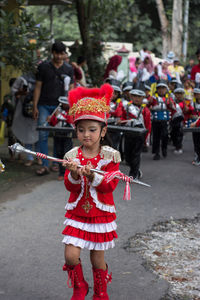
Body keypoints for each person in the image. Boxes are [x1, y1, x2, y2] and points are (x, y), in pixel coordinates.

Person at [61, 83, 121, 300]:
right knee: (70, 255)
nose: (86, 134)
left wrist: (91, 175)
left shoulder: (110, 157)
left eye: (92, 129)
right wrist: (75, 174)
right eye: (81, 129)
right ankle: (79, 286)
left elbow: (109, 186)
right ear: (76, 130)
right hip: (77, 213)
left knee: (97, 258)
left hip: (99, 214)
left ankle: (101, 290)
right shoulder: (72, 154)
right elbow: (69, 186)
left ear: (103, 131)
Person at [33, 41, 74, 175]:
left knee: (59, 135)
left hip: (61, 107)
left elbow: (72, 90)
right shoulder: (44, 67)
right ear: (52, 53)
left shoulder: (68, 69)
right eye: (56, 53)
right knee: (42, 135)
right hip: (43, 105)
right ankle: (45, 165)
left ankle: (56, 164)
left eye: (61, 53)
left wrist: (71, 107)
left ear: (64, 54)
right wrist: (35, 106)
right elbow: (38, 87)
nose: (58, 56)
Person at [11, 72, 40, 166]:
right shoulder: (23, 79)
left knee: (39, 135)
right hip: (25, 109)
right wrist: (21, 93)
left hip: (39, 108)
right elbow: (13, 91)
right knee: (27, 134)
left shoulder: (44, 77)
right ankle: (30, 158)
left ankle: (39, 157)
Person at [123, 85, 151, 179]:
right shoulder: (127, 107)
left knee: (136, 154)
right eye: (134, 96)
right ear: (130, 96)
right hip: (128, 133)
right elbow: (122, 118)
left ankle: (133, 174)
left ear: (143, 98)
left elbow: (148, 125)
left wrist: (146, 139)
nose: (136, 98)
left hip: (139, 135)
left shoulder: (145, 110)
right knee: (127, 156)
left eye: (139, 96)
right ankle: (136, 170)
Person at [48, 96, 73, 180]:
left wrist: (59, 115)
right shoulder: (57, 110)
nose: (63, 104)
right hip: (57, 135)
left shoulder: (71, 111)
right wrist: (50, 119)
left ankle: (68, 172)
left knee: (67, 154)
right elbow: (53, 123)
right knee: (59, 153)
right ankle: (61, 173)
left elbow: (70, 121)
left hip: (67, 136)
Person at [150, 79, 176, 160]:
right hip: (155, 120)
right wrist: (149, 105)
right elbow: (147, 106)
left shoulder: (169, 98)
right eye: (159, 88)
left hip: (165, 120)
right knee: (156, 137)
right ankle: (156, 153)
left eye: (163, 88)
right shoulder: (153, 98)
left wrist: (171, 105)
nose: (161, 90)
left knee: (165, 135)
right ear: (157, 89)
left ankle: (164, 149)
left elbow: (173, 108)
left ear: (166, 89)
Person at [170, 84, 185, 154]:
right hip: (173, 120)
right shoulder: (172, 101)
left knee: (179, 133)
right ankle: (176, 144)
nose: (179, 95)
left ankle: (179, 146)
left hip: (181, 120)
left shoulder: (185, 102)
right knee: (173, 133)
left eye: (180, 94)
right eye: (177, 94)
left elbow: (189, 110)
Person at [190, 84, 200, 166]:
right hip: (195, 126)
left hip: (196, 124)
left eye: (197, 94)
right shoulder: (192, 103)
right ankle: (197, 157)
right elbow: (189, 113)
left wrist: (196, 122)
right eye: (195, 94)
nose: (196, 95)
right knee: (196, 142)